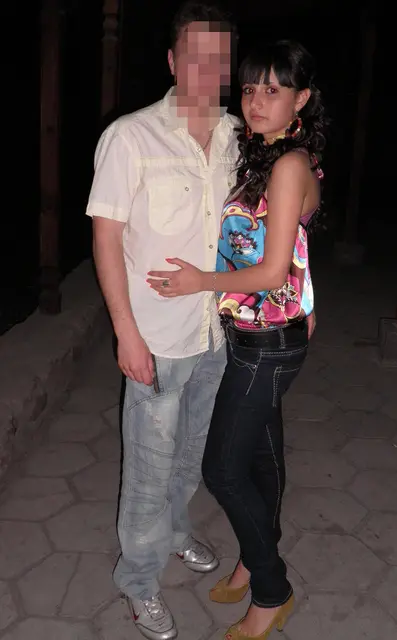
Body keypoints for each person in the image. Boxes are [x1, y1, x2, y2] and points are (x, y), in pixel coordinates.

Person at [147, 39, 326, 640]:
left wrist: (199, 282)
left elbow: (272, 270)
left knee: (222, 470)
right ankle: (254, 557)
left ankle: (272, 590)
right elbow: (296, 246)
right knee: (261, 458)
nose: (256, 101)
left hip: (266, 342)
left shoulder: (288, 164)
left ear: (301, 98)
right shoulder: (269, 156)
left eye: (273, 90)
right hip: (258, 332)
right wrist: (308, 297)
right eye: (250, 88)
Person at [85, 2, 241, 638]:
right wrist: (126, 333)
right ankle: (139, 581)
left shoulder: (237, 136)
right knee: (148, 471)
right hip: (155, 338)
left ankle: (176, 533)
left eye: (218, 60)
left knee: (191, 455)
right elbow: (106, 237)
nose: (206, 71)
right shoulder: (131, 138)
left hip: (214, 334)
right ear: (174, 61)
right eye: (194, 57)